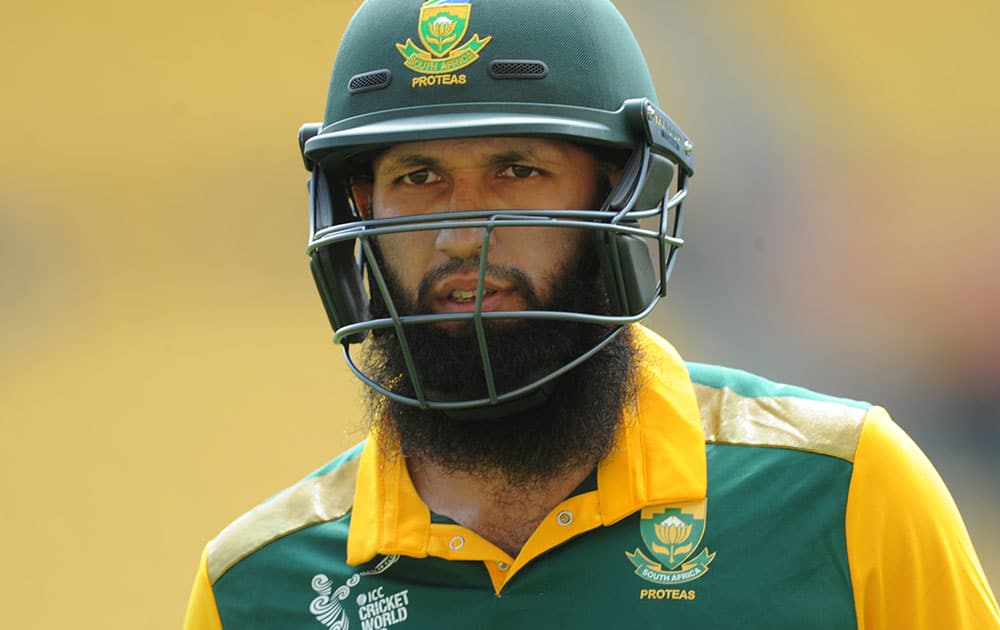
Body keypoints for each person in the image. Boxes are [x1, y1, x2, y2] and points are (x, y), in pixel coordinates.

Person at [184, 0, 999, 627]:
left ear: (620, 194)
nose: (463, 234)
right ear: (358, 210)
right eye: (419, 177)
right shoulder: (257, 589)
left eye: (519, 169)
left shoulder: (847, 496)